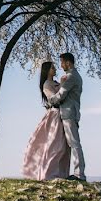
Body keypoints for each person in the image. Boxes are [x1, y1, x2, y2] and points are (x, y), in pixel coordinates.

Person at [21, 61, 71, 180]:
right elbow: (54, 99)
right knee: (55, 144)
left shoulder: (55, 82)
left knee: (63, 146)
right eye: (52, 67)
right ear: (47, 70)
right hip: (55, 115)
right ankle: (48, 174)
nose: (55, 69)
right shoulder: (47, 84)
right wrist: (63, 86)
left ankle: (61, 173)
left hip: (62, 113)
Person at [46, 52, 86, 181]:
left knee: (74, 143)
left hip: (69, 113)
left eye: (62, 62)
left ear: (68, 62)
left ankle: (79, 174)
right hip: (71, 112)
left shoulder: (71, 77)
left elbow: (61, 95)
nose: (61, 65)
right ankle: (76, 173)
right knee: (72, 143)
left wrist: (51, 101)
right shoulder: (73, 76)